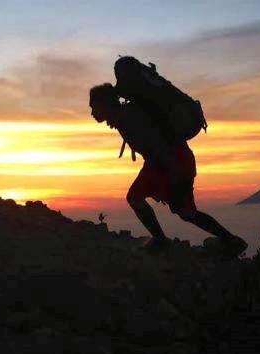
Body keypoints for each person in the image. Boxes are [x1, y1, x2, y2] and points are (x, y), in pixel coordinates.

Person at [89, 83, 248, 256]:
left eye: (93, 106)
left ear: (104, 103)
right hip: (169, 162)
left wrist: (173, 179)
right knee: (179, 210)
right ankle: (228, 240)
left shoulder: (129, 118)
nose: (92, 112)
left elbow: (157, 146)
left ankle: (226, 241)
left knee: (177, 209)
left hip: (172, 163)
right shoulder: (125, 117)